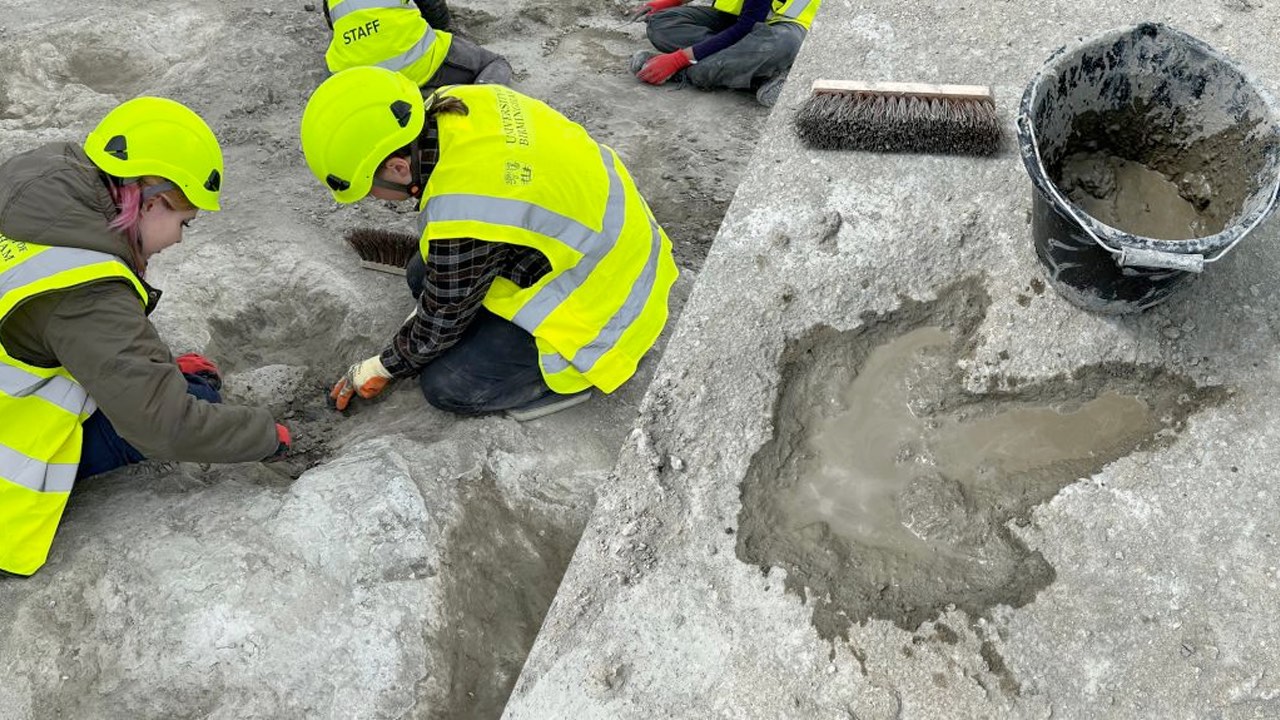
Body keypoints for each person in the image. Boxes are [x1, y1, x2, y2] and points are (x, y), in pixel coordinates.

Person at [0, 97, 291, 577]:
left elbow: (66, 332)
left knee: (180, 388)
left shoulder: (40, 179)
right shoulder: (86, 290)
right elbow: (162, 425)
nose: (179, 239)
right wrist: (263, 435)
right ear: (153, 202)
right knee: (194, 400)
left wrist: (160, 369)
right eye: (184, 223)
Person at [299, 66, 679, 420]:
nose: (376, 199)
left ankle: (563, 383)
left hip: (606, 303)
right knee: (422, 274)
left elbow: (441, 321)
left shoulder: (465, 209)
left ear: (399, 168)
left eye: (372, 189)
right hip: (601, 240)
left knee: (448, 385)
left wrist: (382, 366)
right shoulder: (460, 103)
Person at [628, 0, 822, 107]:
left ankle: (686, 73)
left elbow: (744, 28)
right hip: (736, 20)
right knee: (662, 24)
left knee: (777, 45)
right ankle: (755, 74)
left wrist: (679, 60)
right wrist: (671, 2)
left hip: (783, 31)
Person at [322, 0, 512, 90]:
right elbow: (435, 10)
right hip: (418, 64)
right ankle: (482, 100)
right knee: (495, 63)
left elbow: (334, 23)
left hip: (357, 78)